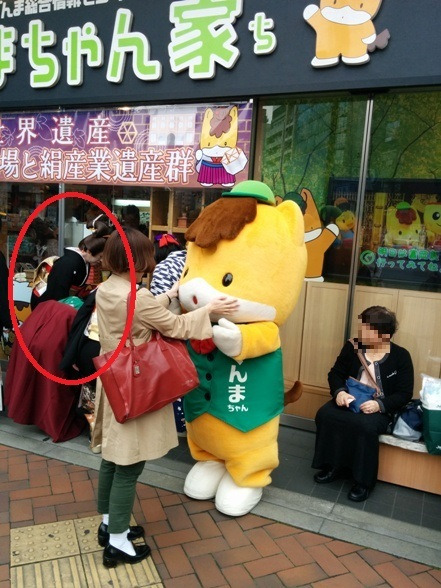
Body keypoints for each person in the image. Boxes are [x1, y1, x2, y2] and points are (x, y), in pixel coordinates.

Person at [91, 227, 238, 568]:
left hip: (114, 380)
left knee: (113, 457)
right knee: (129, 465)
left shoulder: (107, 289)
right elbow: (175, 327)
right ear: (139, 258)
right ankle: (117, 542)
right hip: (136, 384)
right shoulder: (137, 297)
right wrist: (210, 310)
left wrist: (168, 295)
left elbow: (138, 314)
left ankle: (108, 523)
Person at [312, 306, 414, 502]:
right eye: (363, 327)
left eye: (368, 330)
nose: (362, 333)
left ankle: (362, 481)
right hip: (349, 400)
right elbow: (335, 374)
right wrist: (339, 392)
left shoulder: (401, 356)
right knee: (326, 415)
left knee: (365, 426)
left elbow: (404, 393)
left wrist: (379, 405)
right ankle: (332, 466)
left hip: (378, 408)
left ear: (384, 335)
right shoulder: (353, 346)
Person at [150, 233, 187, 434]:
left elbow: (158, 307)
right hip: (194, 326)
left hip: (172, 328)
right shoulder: (190, 261)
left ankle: (176, 421)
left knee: (173, 375)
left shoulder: (164, 267)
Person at [30, 219, 111, 310]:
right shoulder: (67, 264)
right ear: (89, 251)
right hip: (49, 307)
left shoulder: (79, 261)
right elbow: (57, 297)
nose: (101, 260)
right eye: (100, 256)